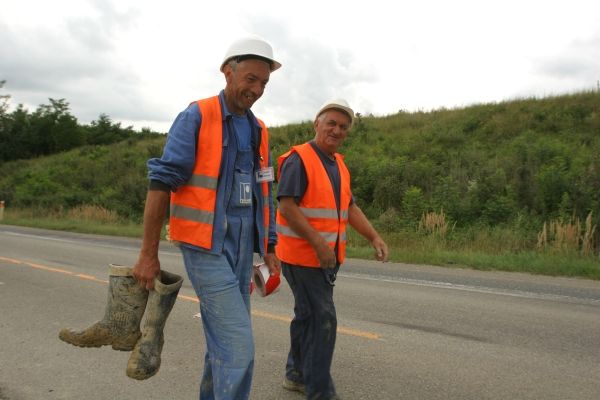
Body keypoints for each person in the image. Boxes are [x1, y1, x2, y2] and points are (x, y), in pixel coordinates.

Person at [132, 35, 282, 400]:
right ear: (227, 72)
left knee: (224, 345)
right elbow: (161, 182)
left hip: (243, 250)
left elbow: (264, 190)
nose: (257, 89)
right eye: (251, 79)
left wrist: (270, 244)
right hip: (205, 247)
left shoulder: (259, 129)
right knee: (238, 346)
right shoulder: (197, 116)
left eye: (264, 82)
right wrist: (148, 255)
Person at [276, 99, 389, 400]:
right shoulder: (299, 158)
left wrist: (373, 236)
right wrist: (318, 243)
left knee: (306, 315)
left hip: (325, 258)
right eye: (332, 123)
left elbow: (349, 207)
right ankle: (319, 391)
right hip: (303, 257)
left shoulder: (338, 164)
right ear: (317, 123)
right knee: (323, 320)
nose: (337, 130)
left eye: (343, 127)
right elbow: (286, 206)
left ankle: (296, 375)